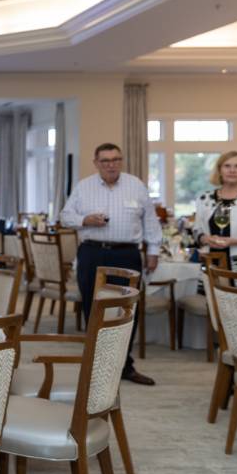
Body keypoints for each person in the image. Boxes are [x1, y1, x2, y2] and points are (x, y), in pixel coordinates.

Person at [60, 142, 160, 386]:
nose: (111, 165)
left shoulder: (136, 185)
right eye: (105, 160)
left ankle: (124, 366)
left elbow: (150, 220)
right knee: (93, 309)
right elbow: (64, 217)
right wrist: (85, 220)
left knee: (128, 310)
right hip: (92, 253)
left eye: (116, 159)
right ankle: (97, 366)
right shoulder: (84, 187)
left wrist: (153, 250)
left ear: (121, 161)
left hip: (127, 254)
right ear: (96, 163)